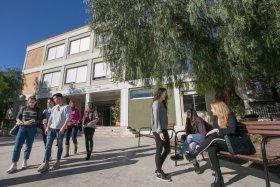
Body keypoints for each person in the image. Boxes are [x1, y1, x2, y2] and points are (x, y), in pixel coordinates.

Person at [185, 100, 237, 187]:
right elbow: (215, 134)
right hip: (220, 142)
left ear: (218, 109)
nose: (211, 110)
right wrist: (204, 143)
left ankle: (194, 154)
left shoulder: (230, 116)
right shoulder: (216, 118)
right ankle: (219, 179)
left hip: (230, 143)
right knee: (211, 149)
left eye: (212, 108)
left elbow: (232, 130)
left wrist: (217, 130)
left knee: (212, 138)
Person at [37, 93, 71, 173]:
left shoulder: (67, 107)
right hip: (51, 129)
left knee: (59, 146)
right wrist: (47, 127)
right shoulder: (54, 107)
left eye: (55, 98)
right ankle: (46, 163)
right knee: (48, 145)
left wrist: (63, 128)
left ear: (60, 98)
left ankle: (58, 161)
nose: (54, 100)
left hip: (60, 130)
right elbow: (50, 118)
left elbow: (68, 119)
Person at [6, 96, 40, 173]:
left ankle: (25, 160)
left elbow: (39, 120)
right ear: (28, 102)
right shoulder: (23, 108)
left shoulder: (37, 110)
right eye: (30, 102)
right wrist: (19, 121)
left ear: (35, 102)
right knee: (17, 146)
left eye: (33, 102)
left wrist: (33, 120)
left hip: (32, 129)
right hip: (22, 128)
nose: (31, 103)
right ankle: (14, 164)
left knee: (28, 145)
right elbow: (18, 117)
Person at [170, 109, 207, 174]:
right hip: (195, 139)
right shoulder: (189, 121)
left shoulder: (198, 120)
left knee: (190, 137)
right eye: (187, 113)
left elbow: (204, 133)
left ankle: (180, 154)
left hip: (203, 138)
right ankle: (196, 165)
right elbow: (189, 133)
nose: (188, 114)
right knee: (191, 146)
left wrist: (200, 144)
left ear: (193, 113)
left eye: (189, 113)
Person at [151, 87, 171, 181]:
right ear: (161, 93)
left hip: (164, 129)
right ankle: (159, 172)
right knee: (159, 150)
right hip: (159, 130)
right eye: (165, 93)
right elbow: (156, 118)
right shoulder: (156, 103)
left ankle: (158, 169)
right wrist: (159, 131)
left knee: (167, 149)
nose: (166, 95)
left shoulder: (162, 103)